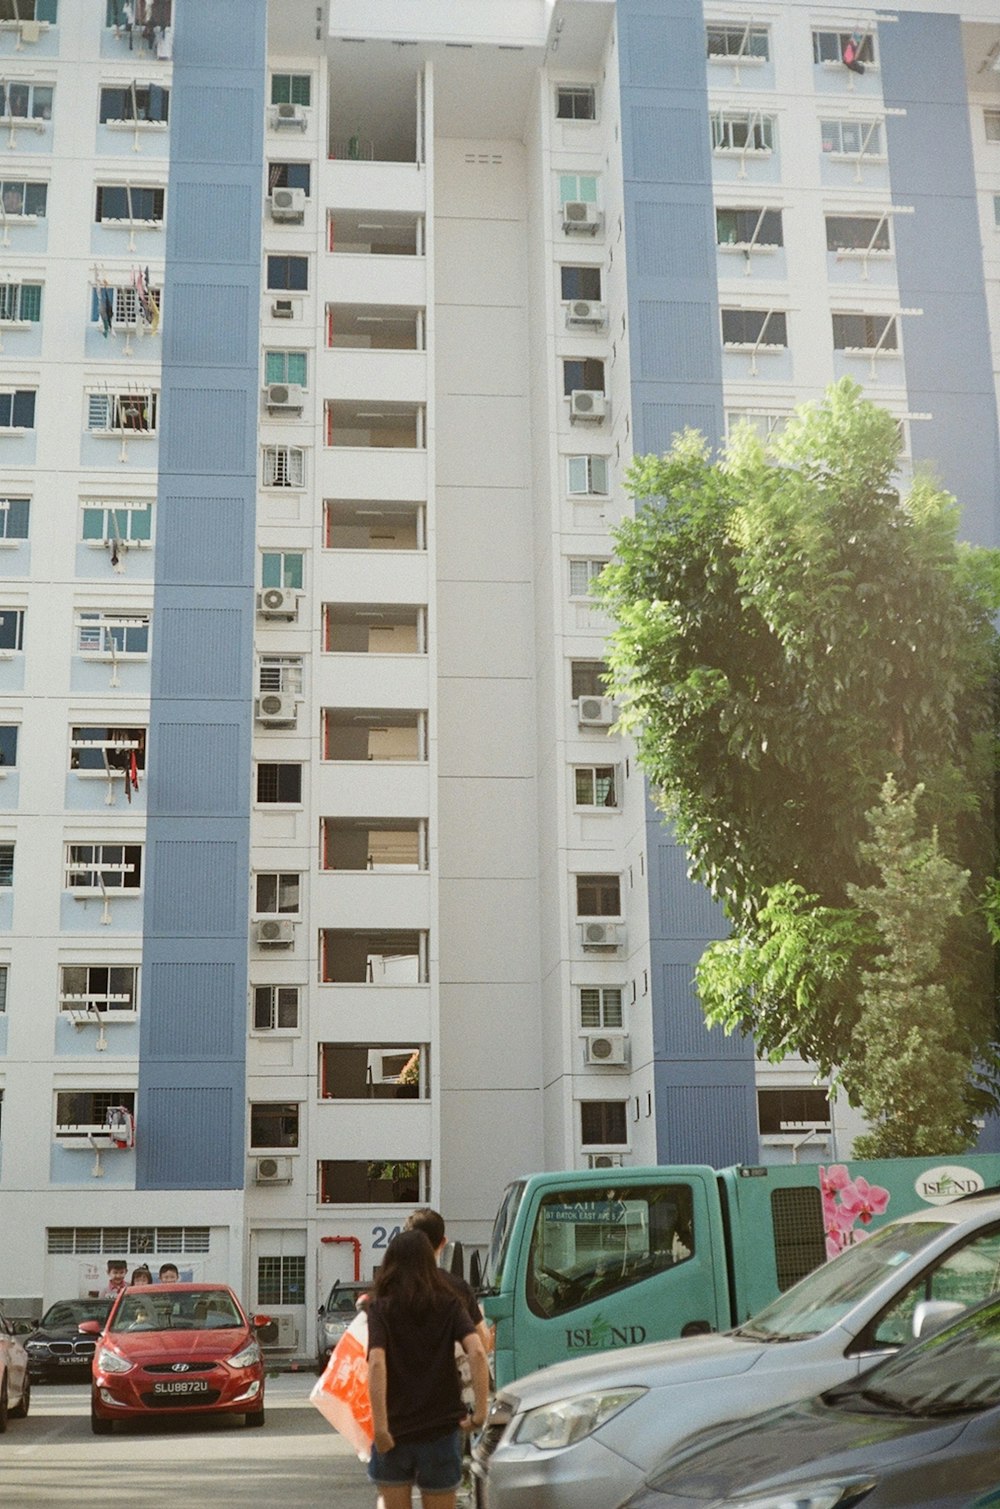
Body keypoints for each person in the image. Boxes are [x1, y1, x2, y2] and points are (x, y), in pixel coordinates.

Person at [367, 1230, 488, 1509]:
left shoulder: (381, 1308)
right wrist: (480, 1413)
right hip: (441, 1430)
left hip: (394, 1431)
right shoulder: (449, 1304)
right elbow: (478, 1352)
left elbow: (376, 1363)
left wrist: (381, 1428)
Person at [405, 1209, 492, 1354]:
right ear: (443, 1242)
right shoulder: (456, 1291)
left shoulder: (389, 1290)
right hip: (446, 1375)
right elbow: (480, 1346)